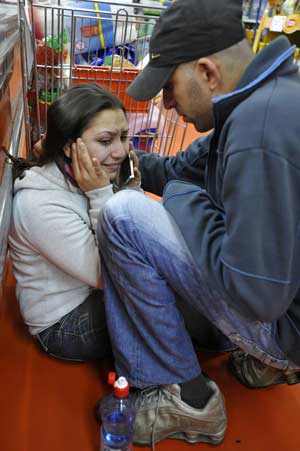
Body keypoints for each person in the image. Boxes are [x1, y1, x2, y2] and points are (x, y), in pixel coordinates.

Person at [94, 0, 300, 446]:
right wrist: (115, 159)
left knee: (123, 215)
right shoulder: (267, 97)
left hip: (280, 322)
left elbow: (258, 295)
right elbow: (174, 171)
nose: (167, 105)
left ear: (207, 72)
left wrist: (180, 198)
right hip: (288, 298)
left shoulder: (259, 131)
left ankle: (189, 399)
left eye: (169, 87)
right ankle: (263, 362)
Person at [8, 82, 142, 362]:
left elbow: (137, 241)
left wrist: (129, 188)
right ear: (70, 147)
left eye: (124, 137)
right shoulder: (39, 204)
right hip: (64, 324)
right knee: (159, 301)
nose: (120, 151)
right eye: (106, 141)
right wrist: (102, 194)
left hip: (92, 291)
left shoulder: (88, 174)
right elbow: (118, 274)